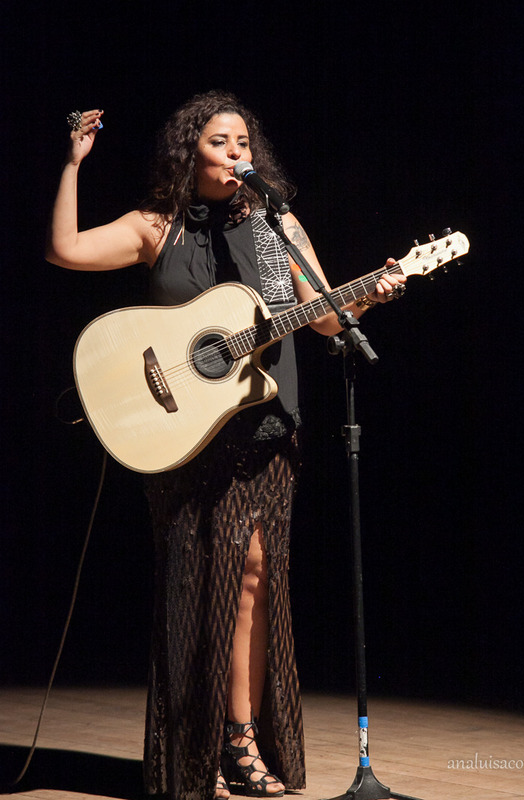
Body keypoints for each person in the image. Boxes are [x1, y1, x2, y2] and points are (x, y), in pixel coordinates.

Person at [46, 91, 405, 800]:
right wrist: (73, 164)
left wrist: (368, 296)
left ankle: (241, 739)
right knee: (194, 587)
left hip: (265, 426)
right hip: (181, 433)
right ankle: (193, 753)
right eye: (219, 141)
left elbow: (325, 319)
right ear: (191, 152)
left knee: (255, 579)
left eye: (243, 142)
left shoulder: (277, 226)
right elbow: (66, 250)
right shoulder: (157, 225)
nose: (236, 152)